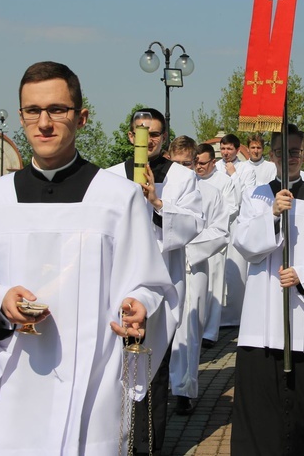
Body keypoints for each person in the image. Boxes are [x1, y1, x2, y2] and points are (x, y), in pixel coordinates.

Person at [0, 61, 178, 455]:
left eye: (57, 110)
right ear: (21, 117)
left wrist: (140, 307)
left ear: (80, 117)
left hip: (91, 383)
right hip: (10, 384)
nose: (44, 122)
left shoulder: (118, 199)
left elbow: (150, 284)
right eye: (33, 111)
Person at [230, 124, 304, 456]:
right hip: (261, 322)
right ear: (272, 155)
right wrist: (273, 216)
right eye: (282, 152)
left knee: (294, 411)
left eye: (296, 152)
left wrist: (303, 274)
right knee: (256, 407)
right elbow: (245, 244)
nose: (289, 158)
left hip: (301, 320)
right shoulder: (258, 196)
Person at [106, 108, 203, 456]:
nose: (149, 137)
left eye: (156, 133)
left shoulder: (181, 177)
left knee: (152, 367)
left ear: (163, 137)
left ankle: (148, 446)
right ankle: (113, 440)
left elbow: (193, 224)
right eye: (141, 131)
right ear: (131, 136)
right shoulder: (111, 176)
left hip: (161, 286)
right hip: (118, 285)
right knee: (113, 367)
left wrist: (155, 202)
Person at [167, 137, 230, 415]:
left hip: (193, 266)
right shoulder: (159, 189)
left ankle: (183, 389)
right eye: (176, 163)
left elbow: (220, 231)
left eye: (187, 164)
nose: (182, 169)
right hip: (161, 266)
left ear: (196, 163)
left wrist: (187, 249)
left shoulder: (211, 193)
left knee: (189, 329)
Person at [194, 143, 239, 348]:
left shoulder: (224, 181)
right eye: (196, 162)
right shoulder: (191, 180)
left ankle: (210, 332)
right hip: (194, 239)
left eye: (203, 163)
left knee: (214, 285)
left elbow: (231, 207)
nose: (198, 167)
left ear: (213, 161)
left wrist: (210, 224)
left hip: (214, 240)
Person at [216, 133, 256, 327]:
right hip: (218, 221)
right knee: (217, 268)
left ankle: (234, 316)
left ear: (238, 150)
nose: (225, 153)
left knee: (235, 270)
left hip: (236, 223)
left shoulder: (247, 169)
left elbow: (247, 197)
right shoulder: (215, 167)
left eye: (229, 149)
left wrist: (234, 175)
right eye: (223, 149)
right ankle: (216, 313)